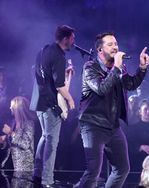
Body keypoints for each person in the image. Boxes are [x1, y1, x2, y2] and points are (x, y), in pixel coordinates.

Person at [76, 32, 149, 188]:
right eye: (110, 44)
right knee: (93, 171)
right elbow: (102, 88)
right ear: (100, 50)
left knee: (122, 168)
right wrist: (116, 67)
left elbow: (130, 84)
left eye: (116, 44)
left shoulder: (119, 67)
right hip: (93, 124)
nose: (115, 47)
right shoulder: (90, 67)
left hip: (112, 126)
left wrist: (142, 68)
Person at [29, 25, 75, 187]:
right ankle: (46, 180)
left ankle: (37, 173)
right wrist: (70, 100)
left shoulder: (44, 50)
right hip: (50, 104)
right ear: (65, 39)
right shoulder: (59, 56)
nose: (73, 41)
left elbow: (44, 74)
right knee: (52, 141)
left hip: (39, 101)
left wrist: (65, 72)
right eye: (72, 38)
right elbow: (60, 86)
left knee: (45, 136)